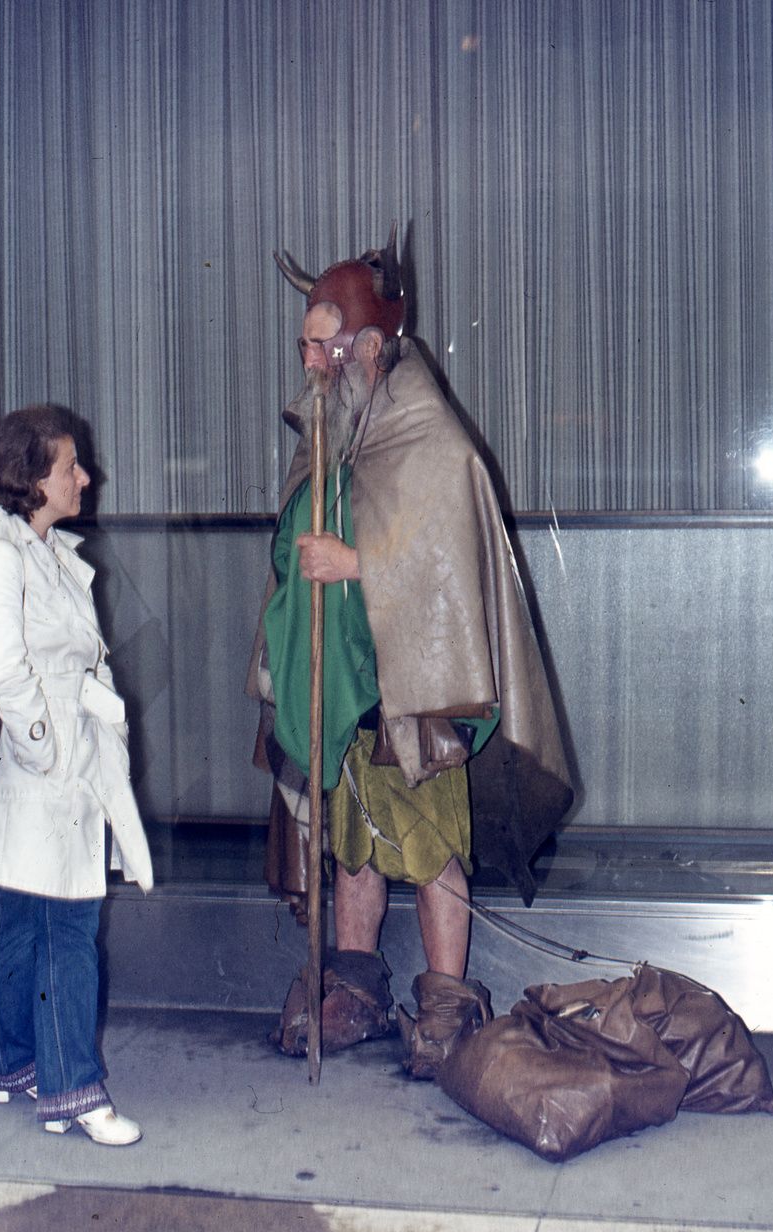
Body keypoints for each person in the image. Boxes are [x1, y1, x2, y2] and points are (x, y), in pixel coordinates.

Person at [248, 227, 572, 1078]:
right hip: (345, 684)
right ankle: (355, 990)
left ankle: (444, 1007)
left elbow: (448, 552)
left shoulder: (431, 433)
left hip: (417, 686)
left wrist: (357, 564)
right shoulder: (330, 426)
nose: (309, 362)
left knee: (430, 847)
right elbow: (293, 544)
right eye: (304, 347)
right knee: (353, 841)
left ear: (366, 344)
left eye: (321, 346)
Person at [0, 405, 153, 1145]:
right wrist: (43, 748)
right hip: (43, 766)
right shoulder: (1, 555)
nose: (86, 476)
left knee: (21, 923)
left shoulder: (49, 551)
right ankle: (73, 1090)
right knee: (66, 925)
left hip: (65, 759)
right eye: (71, 467)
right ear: (33, 480)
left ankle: (8, 1063)